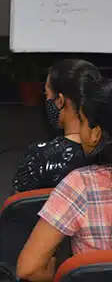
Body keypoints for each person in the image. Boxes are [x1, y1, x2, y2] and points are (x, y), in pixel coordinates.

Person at [17, 68, 112, 281]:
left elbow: (28, 269)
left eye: (83, 122)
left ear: (96, 134)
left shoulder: (80, 185)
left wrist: (59, 273)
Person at [12, 59, 91, 193]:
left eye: (47, 95)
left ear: (60, 101)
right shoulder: (104, 151)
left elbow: (20, 202)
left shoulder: (39, 157)